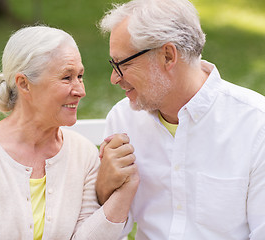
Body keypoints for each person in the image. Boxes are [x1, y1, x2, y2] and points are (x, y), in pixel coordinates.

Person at [0, 25, 139, 240]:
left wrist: (126, 187)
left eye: (80, 76)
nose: (80, 90)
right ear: (24, 84)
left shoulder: (84, 154)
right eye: (66, 78)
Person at [95, 0, 265, 239]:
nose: (114, 78)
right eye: (113, 65)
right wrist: (104, 187)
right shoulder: (123, 119)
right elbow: (113, 233)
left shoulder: (256, 125)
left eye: (123, 64)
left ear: (167, 56)